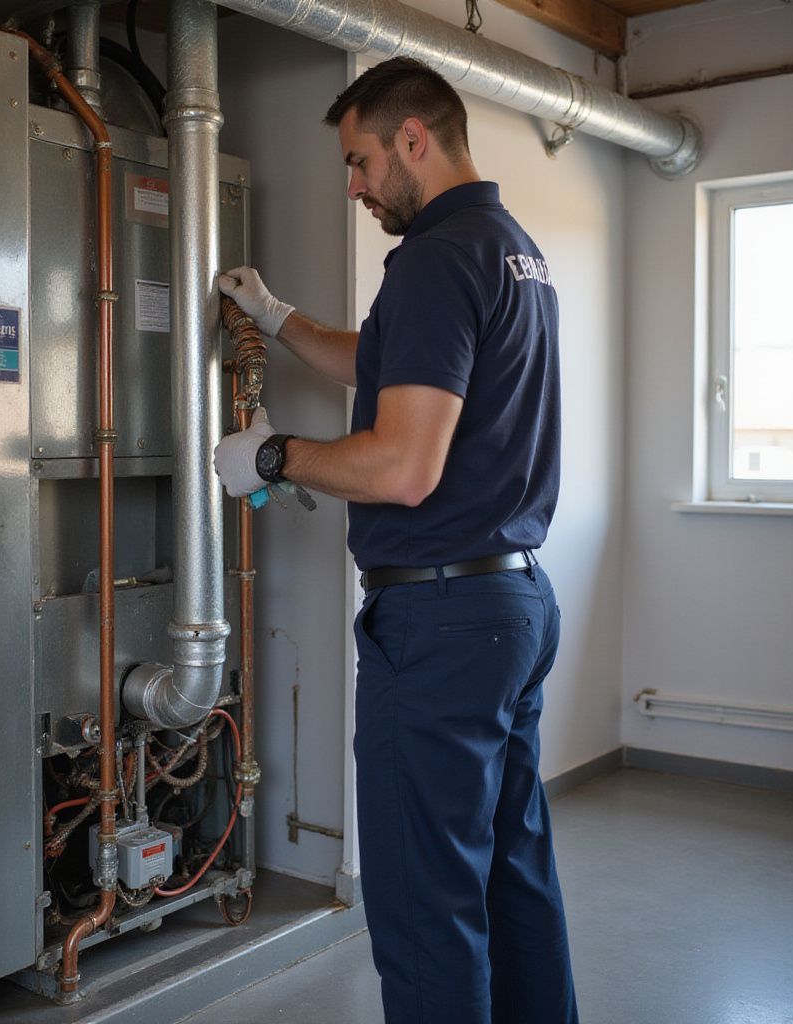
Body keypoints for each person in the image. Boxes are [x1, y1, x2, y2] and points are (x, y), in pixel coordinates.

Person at [213, 57, 578, 1024]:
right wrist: (276, 317)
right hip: (513, 605)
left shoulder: (431, 260)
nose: (356, 185)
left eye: (362, 160)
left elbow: (402, 467)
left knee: (424, 903)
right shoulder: (509, 248)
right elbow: (386, 367)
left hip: (442, 621)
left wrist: (274, 456)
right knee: (512, 872)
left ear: (414, 138)